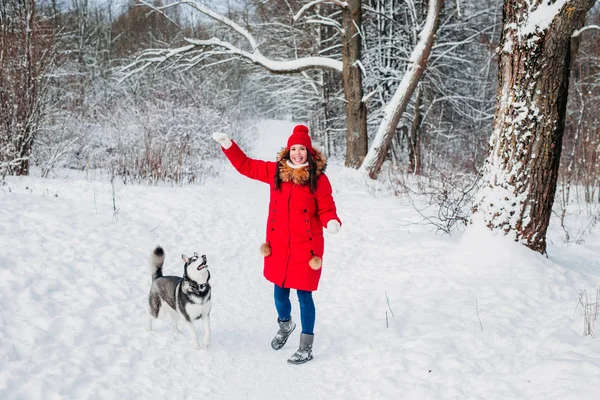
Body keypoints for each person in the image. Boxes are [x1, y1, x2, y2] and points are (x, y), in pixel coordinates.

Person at [212, 124, 341, 364]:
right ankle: (285, 325)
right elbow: (247, 166)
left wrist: (331, 221)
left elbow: (326, 207)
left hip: (307, 248)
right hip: (280, 245)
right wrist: (228, 145)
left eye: (302, 149)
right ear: (288, 151)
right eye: (294, 148)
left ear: (309, 152)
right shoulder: (276, 172)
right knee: (279, 292)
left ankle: (306, 346)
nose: (298, 153)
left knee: (304, 296)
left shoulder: (318, 179)